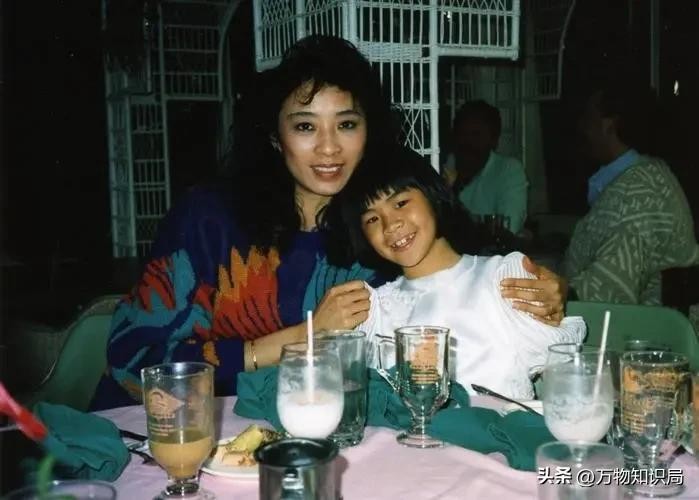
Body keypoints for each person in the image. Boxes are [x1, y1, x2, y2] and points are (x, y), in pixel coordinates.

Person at [91, 35, 569, 410]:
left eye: (346, 124)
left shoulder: (377, 232)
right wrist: (301, 337)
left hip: (299, 436)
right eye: (305, 126)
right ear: (275, 137)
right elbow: (135, 361)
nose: (328, 148)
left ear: (368, 131)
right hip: (159, 431)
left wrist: (545, 293)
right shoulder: (211, 217)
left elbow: (458, 280)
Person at [333, 146, 584, 399]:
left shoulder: (500, 279)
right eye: (372, 219)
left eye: (400, 203)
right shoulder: (374, 310)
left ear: (432, 196)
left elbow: (562, 370)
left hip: (499, 423)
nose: (390, 225)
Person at [563, 82, 699, 305]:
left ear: (608, 125)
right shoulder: (646, 175)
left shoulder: (636, 191)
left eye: (588, 119)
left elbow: (607, 289)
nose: (582, 128)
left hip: (645, 324)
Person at [442, 100, 528, 235]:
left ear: (494, 140)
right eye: (462, 133)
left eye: (476, 135)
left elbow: (507, 228)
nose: (467, 142)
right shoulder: (444, 166)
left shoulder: (508, 170)